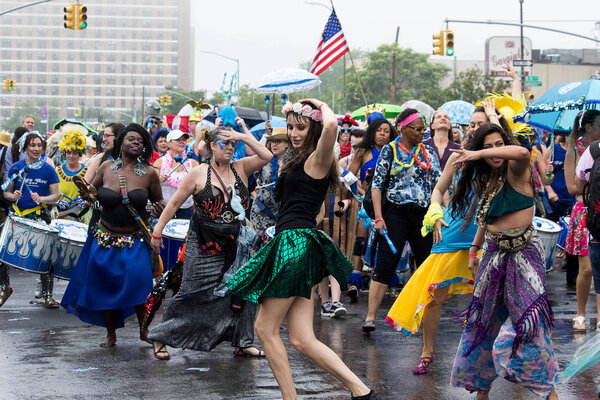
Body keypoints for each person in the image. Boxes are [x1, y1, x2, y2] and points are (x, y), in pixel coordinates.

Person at [225, 99, 380, 400]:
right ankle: (361, 390)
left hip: (294, 243)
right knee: (302, 338)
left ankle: (290, 398)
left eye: (301, 127)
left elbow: (333, 126)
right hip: (296, 242)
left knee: (265, 329)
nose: (294, 133)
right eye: (292, 127)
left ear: (314, 127)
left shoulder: (319, 159)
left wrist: (319, 105)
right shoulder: (297, 160)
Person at [449, 123, 558, 400]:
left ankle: (548, 392)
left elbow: (522, 152)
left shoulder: (515, 169)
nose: (495, 151)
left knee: (529, 328)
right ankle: (481, 392)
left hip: (524, 258)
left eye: (499, 144)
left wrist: (475, 154)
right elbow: (486, 218)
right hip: (493, 256)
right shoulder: (488, 178)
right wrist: (474, 249)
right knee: (483, 325)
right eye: (487, 147)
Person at [148, 118, 272, 360]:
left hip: (238, 242)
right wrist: (157, 231)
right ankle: (161, 336)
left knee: (246, 289)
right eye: (224, 144)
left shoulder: (242, 167)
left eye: (231, 144)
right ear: (212, 147)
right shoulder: (198, 172)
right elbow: (173, 204)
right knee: (192, 291)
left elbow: (266, 156)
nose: (229, 148)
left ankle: (243, 341)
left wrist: (243, 137)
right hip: (203, 240)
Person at [386, 109, 490, 374]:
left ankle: (488, 351)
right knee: (434, 295)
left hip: (487, 234)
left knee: (490, 296)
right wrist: (435, 214)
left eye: (482, 124)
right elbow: (438, 189)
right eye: (473, 124)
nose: (475, 128)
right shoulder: (457, 157)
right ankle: (427, 351)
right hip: (453, 232)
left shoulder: (497, 159)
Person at [61, 124, 164, 348]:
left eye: (140, 141)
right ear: (121, 144)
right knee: (106, 287)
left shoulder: (149, 173)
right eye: (131, 140)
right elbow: (90, 192)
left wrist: (158, 211)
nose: (136, 143)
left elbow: (158, 202)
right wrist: (85, 197)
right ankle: (110, 334)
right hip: (105, 238)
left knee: (140, 286)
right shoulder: (107, 167)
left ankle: (144, 330)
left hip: (135, 241)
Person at [363, 109, 441, 333]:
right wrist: (378, 217)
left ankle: (422, 315)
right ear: (403, 129)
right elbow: (376, 186)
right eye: (417, 129)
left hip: (422, 215)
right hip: (395, 214)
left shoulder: (429, 152)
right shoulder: (390, 150)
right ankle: (370, 317)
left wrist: (440, 214)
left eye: (423, 129)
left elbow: (439, 185)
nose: (421, 133)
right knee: (385, 265)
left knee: (426, 264)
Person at [0, 131, 60, 308]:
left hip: (38, 217)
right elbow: (6, 192)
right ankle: (5, 288)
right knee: (1, 256)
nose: (36, 148)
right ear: (25, 148)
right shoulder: (17, 168)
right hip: (17, 217)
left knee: (45, 258)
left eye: (39, 145)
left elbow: (56, 196)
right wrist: (14, 195)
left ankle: (48, 295)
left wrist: (42, 199)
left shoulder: (48, 169)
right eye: (32, 145)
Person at [347, 118, 397, 301]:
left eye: (386, 131)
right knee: (361, 238)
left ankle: (389, 282)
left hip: (389, 204)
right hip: (366, 203)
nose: (383, 134)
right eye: (379, 130)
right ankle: (354, 280)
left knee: (386, 240)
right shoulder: (362, 151)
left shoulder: (394, 152)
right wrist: (361, 192)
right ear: (372, 132)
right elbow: (349, 176)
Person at [565, 109, 600, 331]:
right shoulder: (575, 152)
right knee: (586, 269)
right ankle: (580, 312)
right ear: (588, 126)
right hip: (584, 210)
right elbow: (573, 187)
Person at [249, 126, 289, 252]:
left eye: (278, 141)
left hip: (282, 216)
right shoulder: (263, 160)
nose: (274, 144)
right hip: (261, 213)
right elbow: (248, 180)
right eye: (272, 141)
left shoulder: (293, 164)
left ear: (287, 144)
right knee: (259, 251)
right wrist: (255, 194)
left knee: (278, 251)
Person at [153, 129, 199, 220]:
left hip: (186, 210)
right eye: (178, 140)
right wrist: (158, 180)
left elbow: (201, 185)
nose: (182, 142)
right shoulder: (159, 162)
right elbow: (151, 185)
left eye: (183, 139)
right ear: (169, 144)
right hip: (165, 209)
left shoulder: (193, 163)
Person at [55, 130, 89, 221]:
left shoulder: (87, 171)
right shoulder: (57, 171)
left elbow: (94, 194)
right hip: (61, 217)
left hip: (81, 218)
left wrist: (86, 202)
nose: (71, 156)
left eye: (75, 153)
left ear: (80, 154)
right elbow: (49, 193)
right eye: (68, 152)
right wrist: (57, 202)